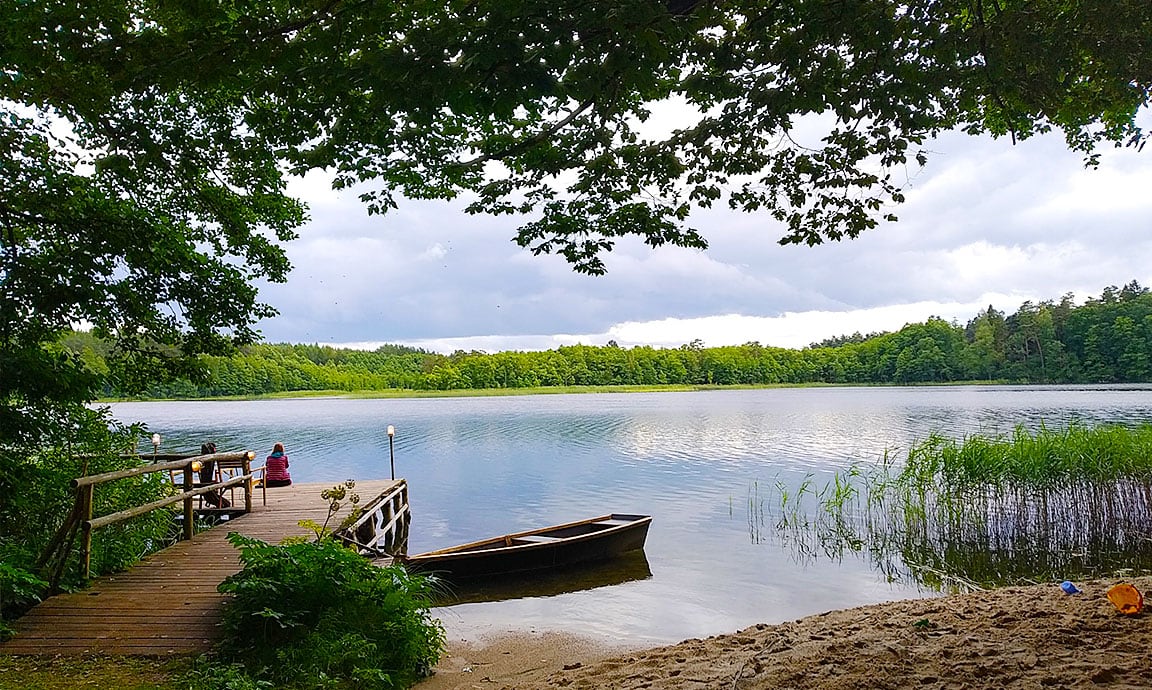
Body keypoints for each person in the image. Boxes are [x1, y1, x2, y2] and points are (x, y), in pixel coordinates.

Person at [198, 441, 231, 508]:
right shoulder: (211, 459)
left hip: (204, 481)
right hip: (208, 482)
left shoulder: (200, 460)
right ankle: (220, 502)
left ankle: (218, 501)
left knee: (208, 482)